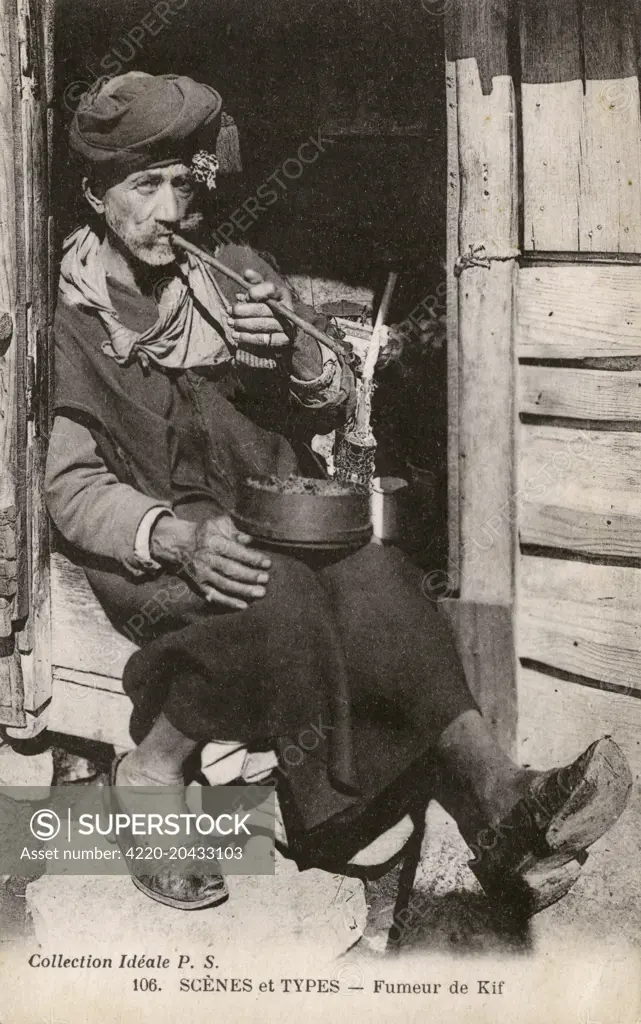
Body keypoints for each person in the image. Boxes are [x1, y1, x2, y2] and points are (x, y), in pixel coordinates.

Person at [45, 71, 632, 914]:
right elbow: (71, 487)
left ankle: (494, 792)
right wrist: (171, 535)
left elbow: (328, 396)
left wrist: (293, 340)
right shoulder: (65, 321)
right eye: (145, 186)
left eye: (183, 184)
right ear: (98, 196)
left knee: (379, 577)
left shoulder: (229, 276)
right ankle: (153, 767)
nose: (172, 211)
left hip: (261, 505)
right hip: (157, 530)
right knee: (273, 602)